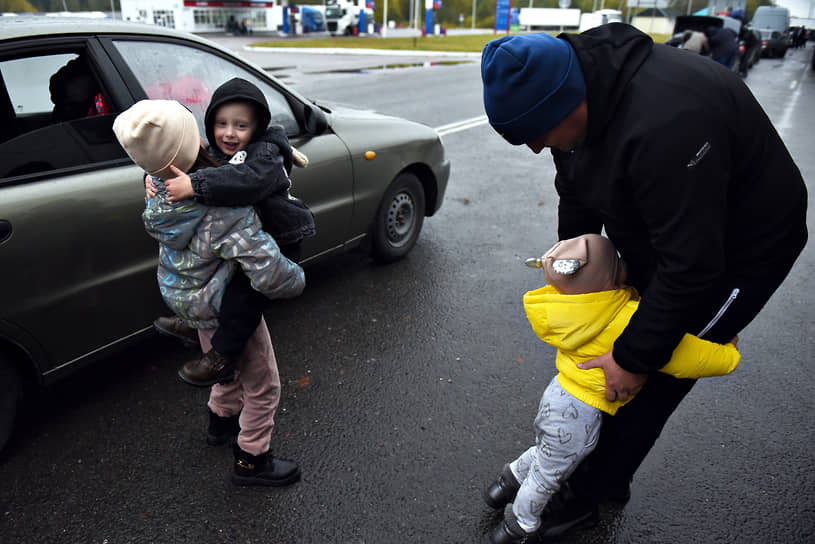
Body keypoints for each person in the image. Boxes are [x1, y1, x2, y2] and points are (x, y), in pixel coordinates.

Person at [480, 26, 807, 538]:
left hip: (743, 249)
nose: (537, 149)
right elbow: (579, 197)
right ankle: (599, 467)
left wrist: (633, 357)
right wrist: (580, 280)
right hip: (674, 231)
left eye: (539, 134)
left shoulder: (666, 122)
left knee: (651, 373)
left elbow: (693, 266)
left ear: (569, 102)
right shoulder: (575, 98)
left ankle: (582, 498)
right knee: (620, 344)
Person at [483, 234, 741, 543]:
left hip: (558, 395)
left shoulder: (569, 310)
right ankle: (518, 526)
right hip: (578, 415)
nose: (623, 263)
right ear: (607, 279)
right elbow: (682, 355)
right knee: (548, 475)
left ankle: (506, 482)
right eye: (617, 262)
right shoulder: (622, 319)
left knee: (547, 451)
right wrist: (727, 356)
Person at [114, 99, 306, 487]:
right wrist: (296, 277)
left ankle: (220, 424)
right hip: (221, 303)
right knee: (263, 384)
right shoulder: (224, 210)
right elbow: (266, 269)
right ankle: (252, 458)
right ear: (191, 144)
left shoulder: (159, 191)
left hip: (191, 300)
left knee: (223, 367)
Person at [148, 77, 315, 392]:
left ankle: (222, 355)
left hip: (278, 239)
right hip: (244, 236)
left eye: (241, 126)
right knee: (202, 272)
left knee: (243, 297)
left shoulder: (264, 154)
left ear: (257, 127)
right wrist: (151, 178)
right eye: (221, 123)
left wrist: (195, 186)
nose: (229, 133)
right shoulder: (216, 149)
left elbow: (246, 181)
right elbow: (186, 163)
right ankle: (194, 318)